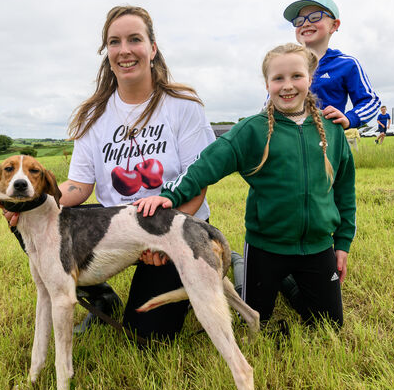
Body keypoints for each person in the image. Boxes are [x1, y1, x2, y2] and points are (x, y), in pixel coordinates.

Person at [0, 5, 215, 343]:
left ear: (152, 48)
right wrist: (26, 199)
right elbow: (78, 187)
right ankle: (99, 296)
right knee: (40, 216)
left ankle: (218, 262)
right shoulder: (94, 115)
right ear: (106, 52)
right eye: (114, 42)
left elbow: (197, 184)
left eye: (134, 39)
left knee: (147, 340)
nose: (124, 50)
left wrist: (167, 238)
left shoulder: (183, 105)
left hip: (173, 224)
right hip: (117, 228)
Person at [136, 43, 356, 329]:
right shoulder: (252, 129)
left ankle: (288, 285)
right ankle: (242, 268)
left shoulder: (333, 130)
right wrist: (170, 195)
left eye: (296, 76)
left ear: (310, 79)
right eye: (278, 79)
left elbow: (344, 190)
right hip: (266, 247)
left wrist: (342, 243)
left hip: (317, 247)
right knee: (254, 321)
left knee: (329, 326)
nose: (287, 86)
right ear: (267, 83)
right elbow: (206, 165)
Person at [282, 0, 380, 130]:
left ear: (334, 25)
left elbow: (371, 101)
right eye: (299, 21)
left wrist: (350, 118)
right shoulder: (284, 64)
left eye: (315, 17)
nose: (305, 24)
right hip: (288, 140)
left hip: (328, 142)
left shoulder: (346, 64)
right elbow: (269, 103)